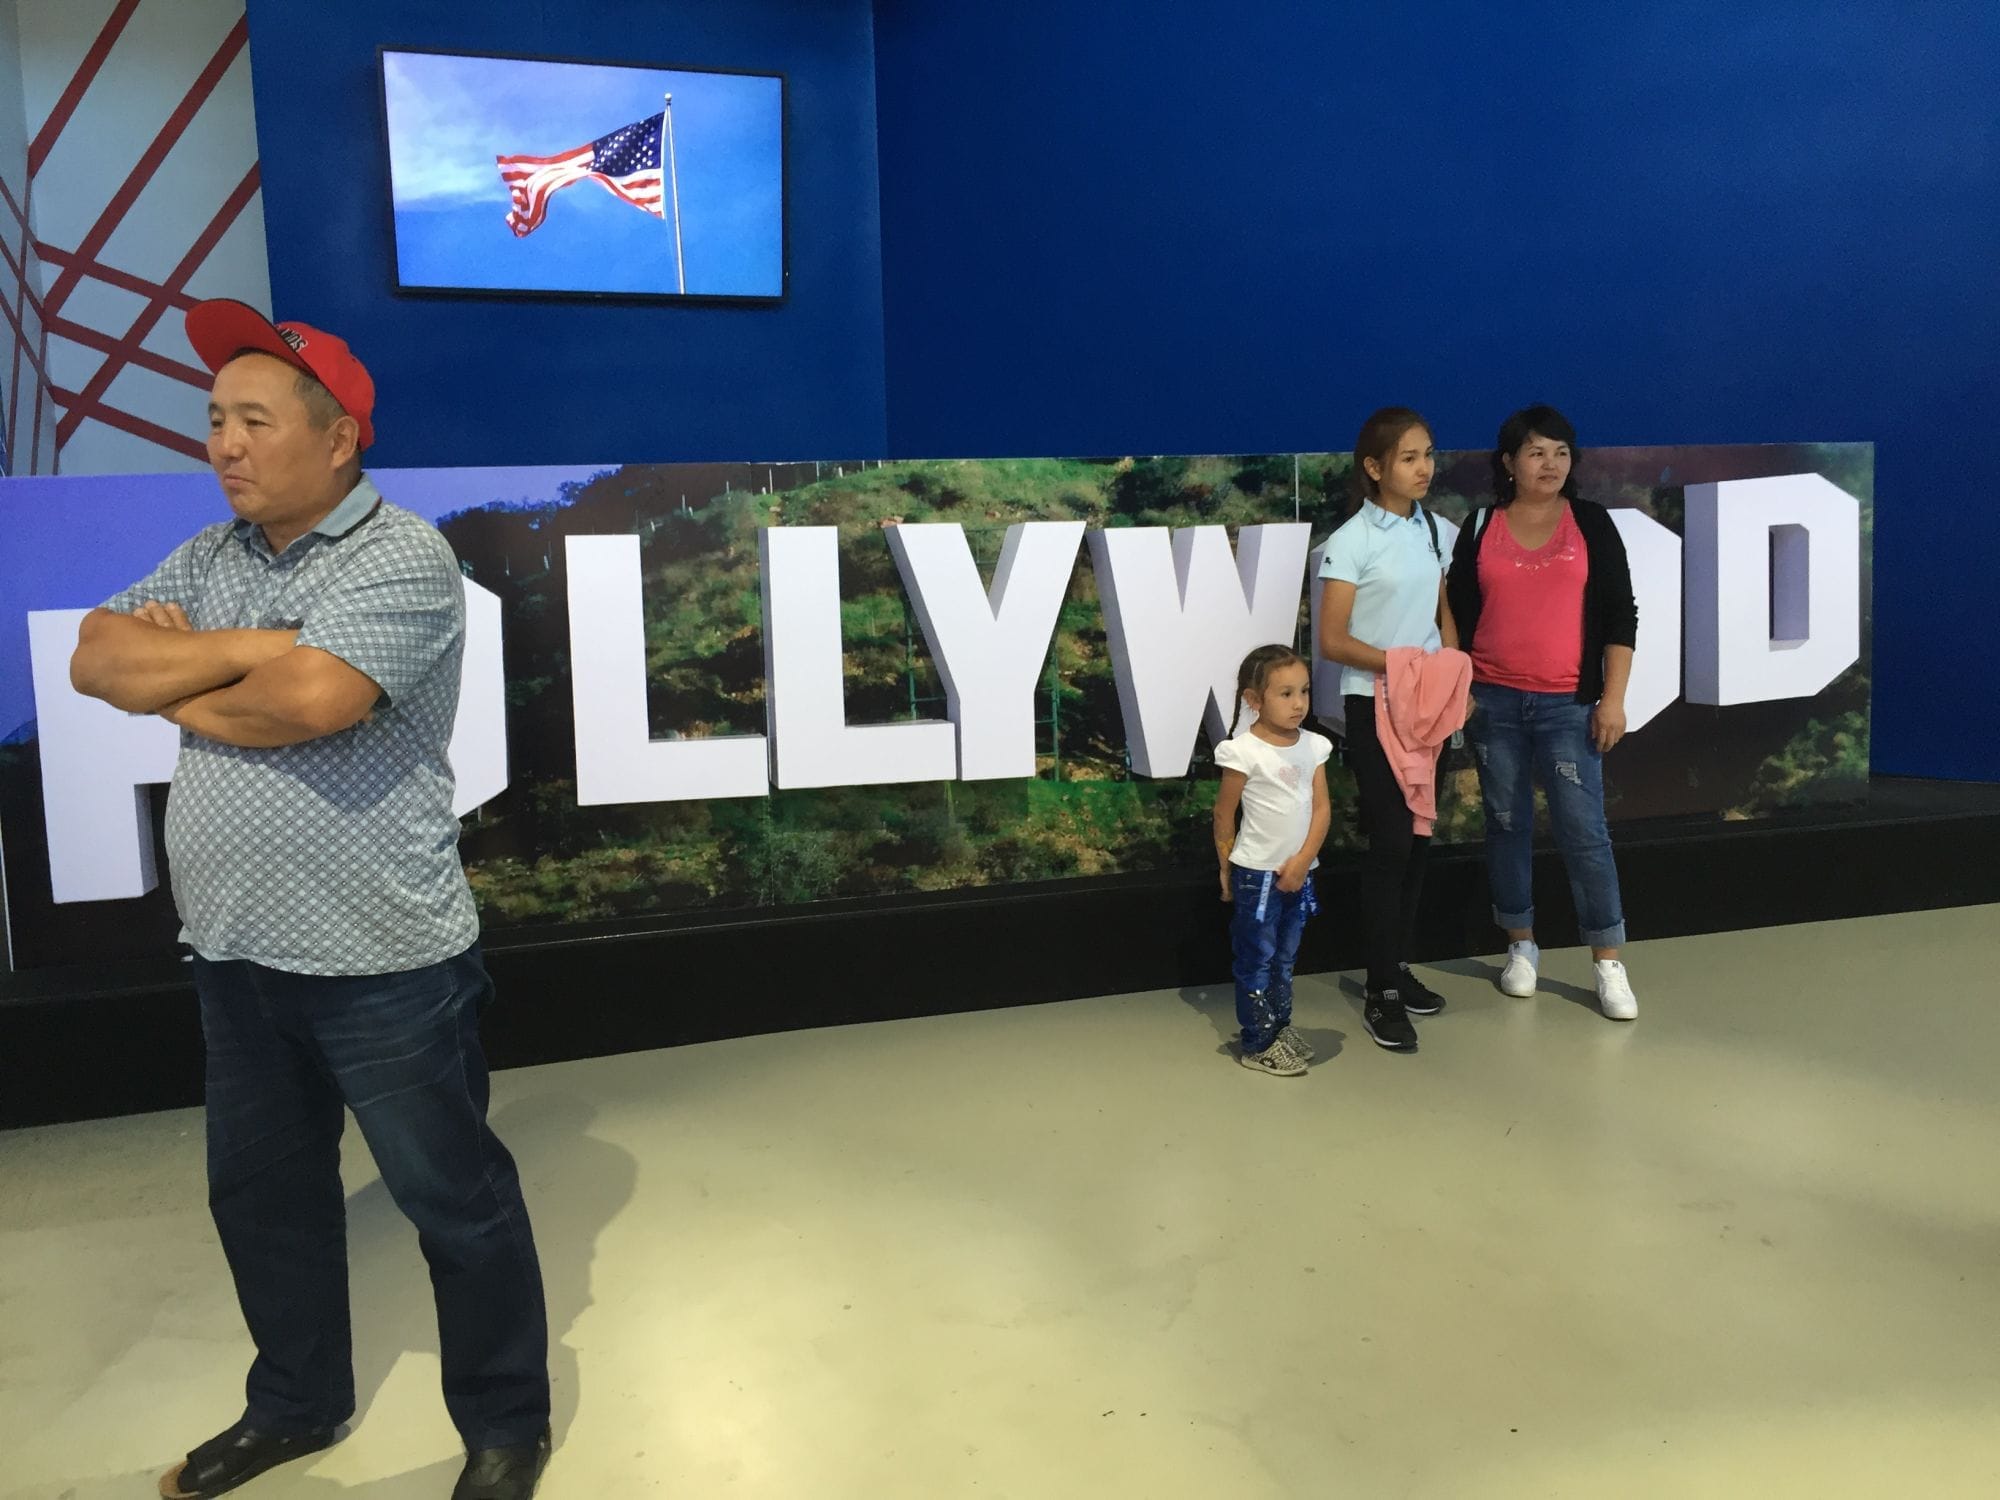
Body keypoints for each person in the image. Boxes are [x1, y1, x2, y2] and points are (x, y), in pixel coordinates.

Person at [68, 301, 553, 1500]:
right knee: (266, 1204)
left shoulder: (403, 555)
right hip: (230, 951)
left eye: (252, 421)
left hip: (382, 957)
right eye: (215, 421)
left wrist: (184, 678)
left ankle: (504, 1423)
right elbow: (94, 657)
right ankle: (293, 1405)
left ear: (338, 441)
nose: (223, 444)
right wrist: (256, 645)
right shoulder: (213, 555)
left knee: (455, 1202)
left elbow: (313, 706)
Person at [1444, 403, 1640, 1020]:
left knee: (1585, 834)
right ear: (1509, 463)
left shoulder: (1591, 524)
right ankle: (1521, 947)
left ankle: (1608, 962)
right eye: (1535, 452)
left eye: (1560, 452)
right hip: (1493, 703)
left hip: (1569, 707)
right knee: (1506, 825)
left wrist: (1613, 699)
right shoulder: (1479, 525)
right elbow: (1451, 608)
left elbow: (1620, 615)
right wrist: (1459, 684)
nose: (1549, 464)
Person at [1316, 407, 1458, 1052]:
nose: (1424, 467)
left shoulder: (1437, 531)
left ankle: (1396, 969)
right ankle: (1381, 991)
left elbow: (1443, 613)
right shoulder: (1351, 541)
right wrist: (1405, 666)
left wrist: (1451, 674)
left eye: (1428, 454)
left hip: (1430, 706)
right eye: (1408, 458)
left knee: (1421, 842)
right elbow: (1333, 640)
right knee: (1392, 844)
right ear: (1374, 469)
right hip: (1373, 705)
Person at [1212, 644, 1333, 1076]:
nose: (1298, 703)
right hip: (1256, 878)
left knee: (1285, 958)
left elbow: (1321, 810)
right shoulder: (1242, 751)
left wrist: (1302, 861)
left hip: (1300, 874)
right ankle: (1257, 1041)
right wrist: (1227, 869)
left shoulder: (1314, 747)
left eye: (1303, 691)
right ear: (1254, 699)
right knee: (1257, 959)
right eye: (1285, 693)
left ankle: (1279, 1027)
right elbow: (1224, 814)